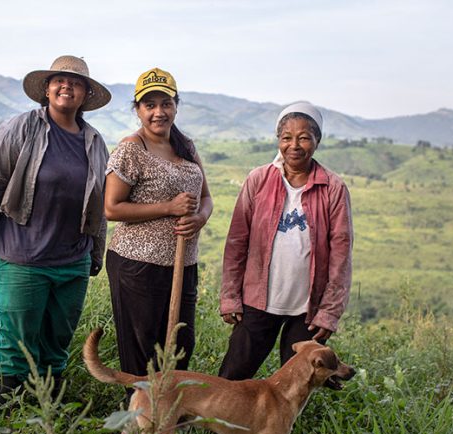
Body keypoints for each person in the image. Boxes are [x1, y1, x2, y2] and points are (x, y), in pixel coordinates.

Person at [0, 55, 112, 400]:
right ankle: (6, 407)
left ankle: (50, 404)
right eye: (59, 80)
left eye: (76, 83)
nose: (67, 87)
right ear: (46, 89)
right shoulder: (20, 128)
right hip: (22, 256)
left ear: (85, 95)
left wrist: (96, 252)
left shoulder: (94, 141)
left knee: (58, 338)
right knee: (17, 338)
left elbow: (100, 204)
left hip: (72, 260)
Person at [218, 101, 353, 380]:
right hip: (257, 301)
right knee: (233, 377)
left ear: (317, 141)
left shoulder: (333, 188)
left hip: (307, 309)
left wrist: (329, 313)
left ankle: (281, 427)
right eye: (287, 137)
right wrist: (230, 296)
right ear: (278, 140)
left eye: (304, 137)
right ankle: (214, 425)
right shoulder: (259, 180)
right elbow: (236, 242)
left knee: (296, 386)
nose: (295, 145)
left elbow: (341, 256)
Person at [104, 67, 213, 382]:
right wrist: (169, 207)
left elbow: (206, 197)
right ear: (137, 109)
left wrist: (200, 218)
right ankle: (138, 422)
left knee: (180, 344)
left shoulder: (186, 146)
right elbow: (111, 208)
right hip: (138, 266)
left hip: (183, 264)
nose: (158, 112)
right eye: (149, 105)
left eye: (166, 103)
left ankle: (169, 419)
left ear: (176, 105)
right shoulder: (131, 149)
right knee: (143, 351)